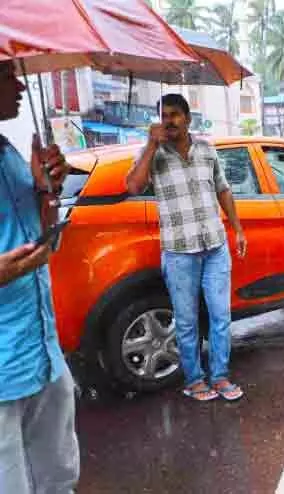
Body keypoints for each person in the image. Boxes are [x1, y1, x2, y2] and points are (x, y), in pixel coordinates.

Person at [126, 94, 247, 402]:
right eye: (164, 115)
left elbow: (223, 188)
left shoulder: (206, 150)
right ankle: (194, 380)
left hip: (215, 245)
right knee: (187, 319)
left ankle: (219, 376)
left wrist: (237, 228)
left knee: (221, 315)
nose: (169, 120)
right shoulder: (152, 155)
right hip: (180, 252)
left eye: (175, 114)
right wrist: (151, 145)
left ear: (188, 118)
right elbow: (133, 186)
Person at [0, 60, 79, 493]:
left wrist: (48, 190)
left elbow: (43, 242)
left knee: (58, 478)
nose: (19, 86)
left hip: (43, 354)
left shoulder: (9, 152)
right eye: (6, 76)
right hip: (2, 376)